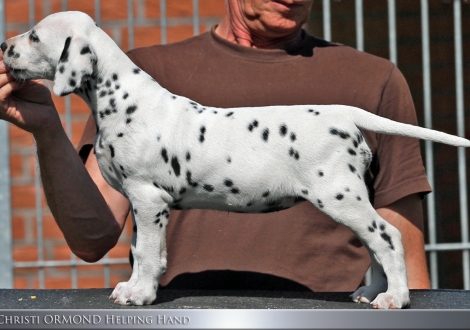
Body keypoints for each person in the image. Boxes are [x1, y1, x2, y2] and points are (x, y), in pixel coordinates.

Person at [0, 0, 431, 293]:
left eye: (36, 39)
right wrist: (46, 130)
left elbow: (405, 243)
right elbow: (93, 238)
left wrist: (411, 306)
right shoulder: (143, 78)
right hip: (185, 316)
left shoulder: (373, 80)